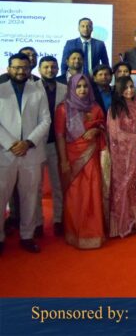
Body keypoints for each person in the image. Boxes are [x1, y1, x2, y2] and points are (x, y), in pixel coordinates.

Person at [0, 53, 51, 255]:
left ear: (30, 69)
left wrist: (28, 142)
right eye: (16, 67)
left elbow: (45, 120)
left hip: (31, 153)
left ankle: (27, 236)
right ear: (9, 68)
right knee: (1, 197)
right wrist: (11, 144)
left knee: (30, 196)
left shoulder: (38, 91)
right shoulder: (0, 90)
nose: (20, 71)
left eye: (24, 67)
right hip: (5, 154)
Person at [54, 74, 106, 249]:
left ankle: (93, 233)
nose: (82, 89)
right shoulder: (63, 109)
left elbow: (103, 126)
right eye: (79, 86)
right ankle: (74, 233)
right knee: (74, 196)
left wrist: (96, 131)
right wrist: (63, 161)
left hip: (91, 155)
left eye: (85, 86)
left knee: (92, 193)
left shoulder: (95, 107)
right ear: (72, 88)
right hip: (71, 156)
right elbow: (60, 136)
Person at [107, 76, 136, 237]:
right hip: (121, 156)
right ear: (119, 89)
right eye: (126, 87)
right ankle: (120, 226)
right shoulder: (115, 109)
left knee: (134, 187)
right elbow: (115, 133)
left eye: (132, 86)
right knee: (122, 187)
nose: (130, 90)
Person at [36, 56, 67, 237]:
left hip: (57, 143)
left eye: (53, 67)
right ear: (40, 69)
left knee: (58, 184)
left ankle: (58, 219)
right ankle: (37, 222)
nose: (50, 70)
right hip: (36, 144)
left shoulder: (64, 88)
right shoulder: (32, 88)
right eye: (46, 67)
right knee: (35, 187)